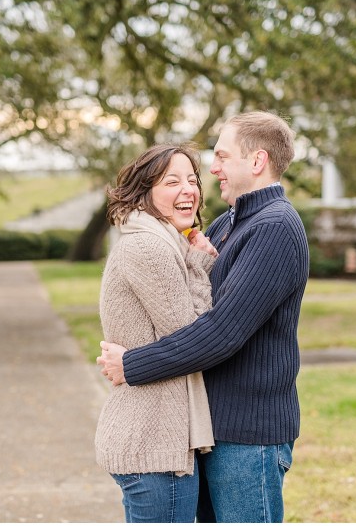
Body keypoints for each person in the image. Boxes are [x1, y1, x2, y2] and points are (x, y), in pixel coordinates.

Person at [98, 111, 310, 523]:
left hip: (250, 434)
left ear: (257, 161)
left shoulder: (275, 226)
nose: (212, 170)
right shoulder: (229, 222)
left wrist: (132, 364)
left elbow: (221, 332)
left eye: (222, 157)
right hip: (213, 431)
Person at [94, 143, 220, 523]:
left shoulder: (156, 241)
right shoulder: (150, 247)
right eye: (172, 181)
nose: (189, 190)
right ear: (145, 192)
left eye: (193, 180)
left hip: (154, 439)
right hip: (153, 442)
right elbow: (192, 336)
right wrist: (199, 265)